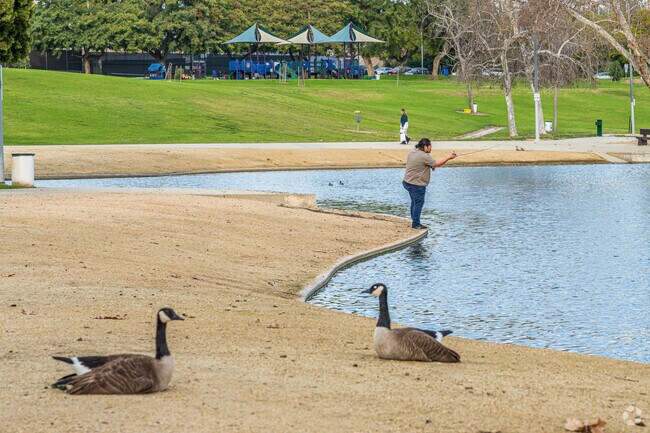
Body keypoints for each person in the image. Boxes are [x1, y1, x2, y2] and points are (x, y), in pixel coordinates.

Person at [402, 138, 457, 229]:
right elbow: (437, 164)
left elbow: (419, 164)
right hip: (416, 184)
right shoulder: (424, 156)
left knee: (414, 202)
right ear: (425, 146)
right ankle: (416, 224)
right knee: (419, 202)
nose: (431, 148)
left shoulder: (413, 152)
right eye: (430, 146)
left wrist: (430, 166)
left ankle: (414, 220)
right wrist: (449, 157)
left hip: (407, 182)